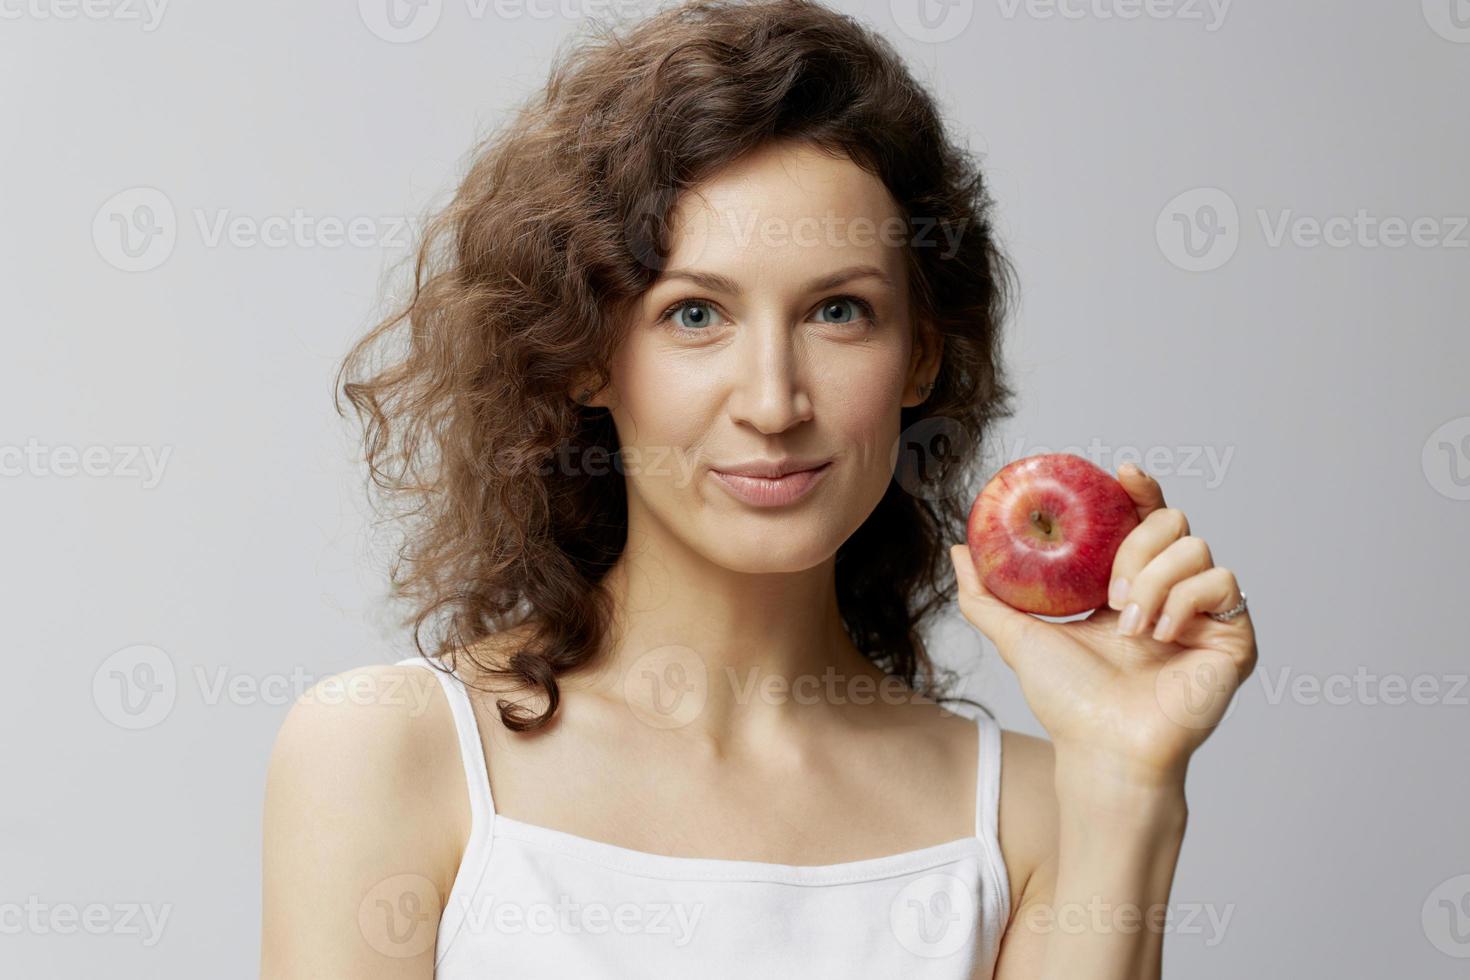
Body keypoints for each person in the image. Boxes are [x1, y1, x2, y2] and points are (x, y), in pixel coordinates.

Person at [260, 1, 1257, 976]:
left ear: (920, 357)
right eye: (695, 314)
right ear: (585, 356)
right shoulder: (387, 752)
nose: (775, 402)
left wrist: (1131, 781)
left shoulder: (1035, 816)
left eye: (838, 309)